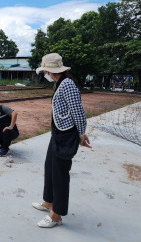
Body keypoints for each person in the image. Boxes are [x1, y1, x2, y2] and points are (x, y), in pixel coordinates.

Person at [32, 53, 91, 228]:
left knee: (60, 174)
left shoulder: (67, 85)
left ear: (50, 70)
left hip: (66, 135)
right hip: (57, 132)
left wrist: (81, 134)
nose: (45, 74)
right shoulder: (59, 83)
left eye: (45, 71)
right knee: (50, 166)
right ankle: (49, 201)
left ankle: (57, 214)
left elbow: (78, 112)